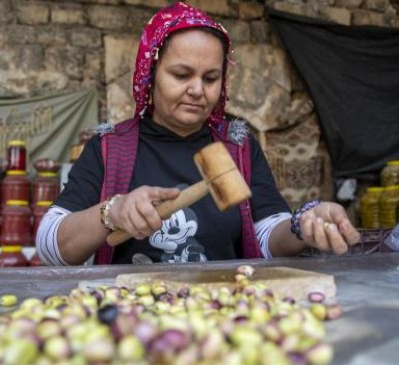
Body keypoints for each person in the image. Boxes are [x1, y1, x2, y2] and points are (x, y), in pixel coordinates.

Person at [36, 2, 360, 266]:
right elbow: (50, 247)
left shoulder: (238, 149)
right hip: (133, 319)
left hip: (222, 314)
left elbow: (265, 237)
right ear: (150, 74)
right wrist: (111, 212)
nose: (197, 90)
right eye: (181, 74)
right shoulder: (109, 148)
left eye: (210, 78)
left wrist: (302, 226)